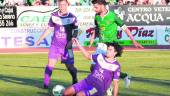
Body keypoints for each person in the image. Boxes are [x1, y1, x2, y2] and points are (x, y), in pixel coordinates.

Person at [88, 0, 144, 90]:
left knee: (108, 68)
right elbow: (97, 28)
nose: (94, 9)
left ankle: (110, 85)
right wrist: (92, 38)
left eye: (96, 7)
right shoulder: (97, 16)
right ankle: (123, 77)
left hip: (111, 46)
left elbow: (124, 28)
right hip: (101, 45)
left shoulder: (113, 15)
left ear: (102, 6)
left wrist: (134, 40)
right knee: (93, 67)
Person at [36, 0, 78, 88]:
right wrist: (40, 39)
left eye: (64, 4)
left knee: (70, 68)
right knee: (50, 64)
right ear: (58, 5)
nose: (62, 6)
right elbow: (49, 29)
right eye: (60, 4)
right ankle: (46, 84)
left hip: (67, 47)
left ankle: (74, 78)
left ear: (67, 5)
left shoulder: (72, 17)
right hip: (55, 46)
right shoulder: (54, 16)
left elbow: (76, 30)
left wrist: (73, 38)